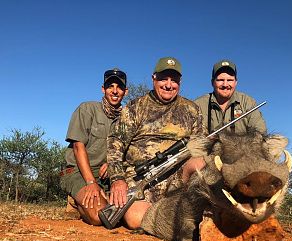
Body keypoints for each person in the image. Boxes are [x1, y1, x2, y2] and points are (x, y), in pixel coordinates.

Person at [107, 57, 206, 229]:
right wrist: (117, 179)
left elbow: (201, 145)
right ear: (154, 78)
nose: (168, 85)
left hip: (177, 178)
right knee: (135, 219)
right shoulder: (135, 107)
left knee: (202, 163)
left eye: (174, 80)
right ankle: (176, 220)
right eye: (163, 79)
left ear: (180, 82)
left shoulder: (192, 109)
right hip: (140, 178)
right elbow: (116, 142)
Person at [60, 68, 128, 225]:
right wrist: (91, 183)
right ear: (103, 89)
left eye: (119, 87)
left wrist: (114, 164)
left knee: (123, 212)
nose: (115, 91)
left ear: (125, 91)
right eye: (110, 86)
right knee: (100, 217)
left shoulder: (127, 118)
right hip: (79, 171)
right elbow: (78, 147)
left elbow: (129, 151)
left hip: (107, 175)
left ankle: (92, 198)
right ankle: (75, 201)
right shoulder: (87, 109)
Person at [195, 59, 266, 135]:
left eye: (230, 80)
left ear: (236, 82)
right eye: (220, 80)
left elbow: (260, 133)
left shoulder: (248, 102)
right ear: (212, 82)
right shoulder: (198, 105)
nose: (225, 84)